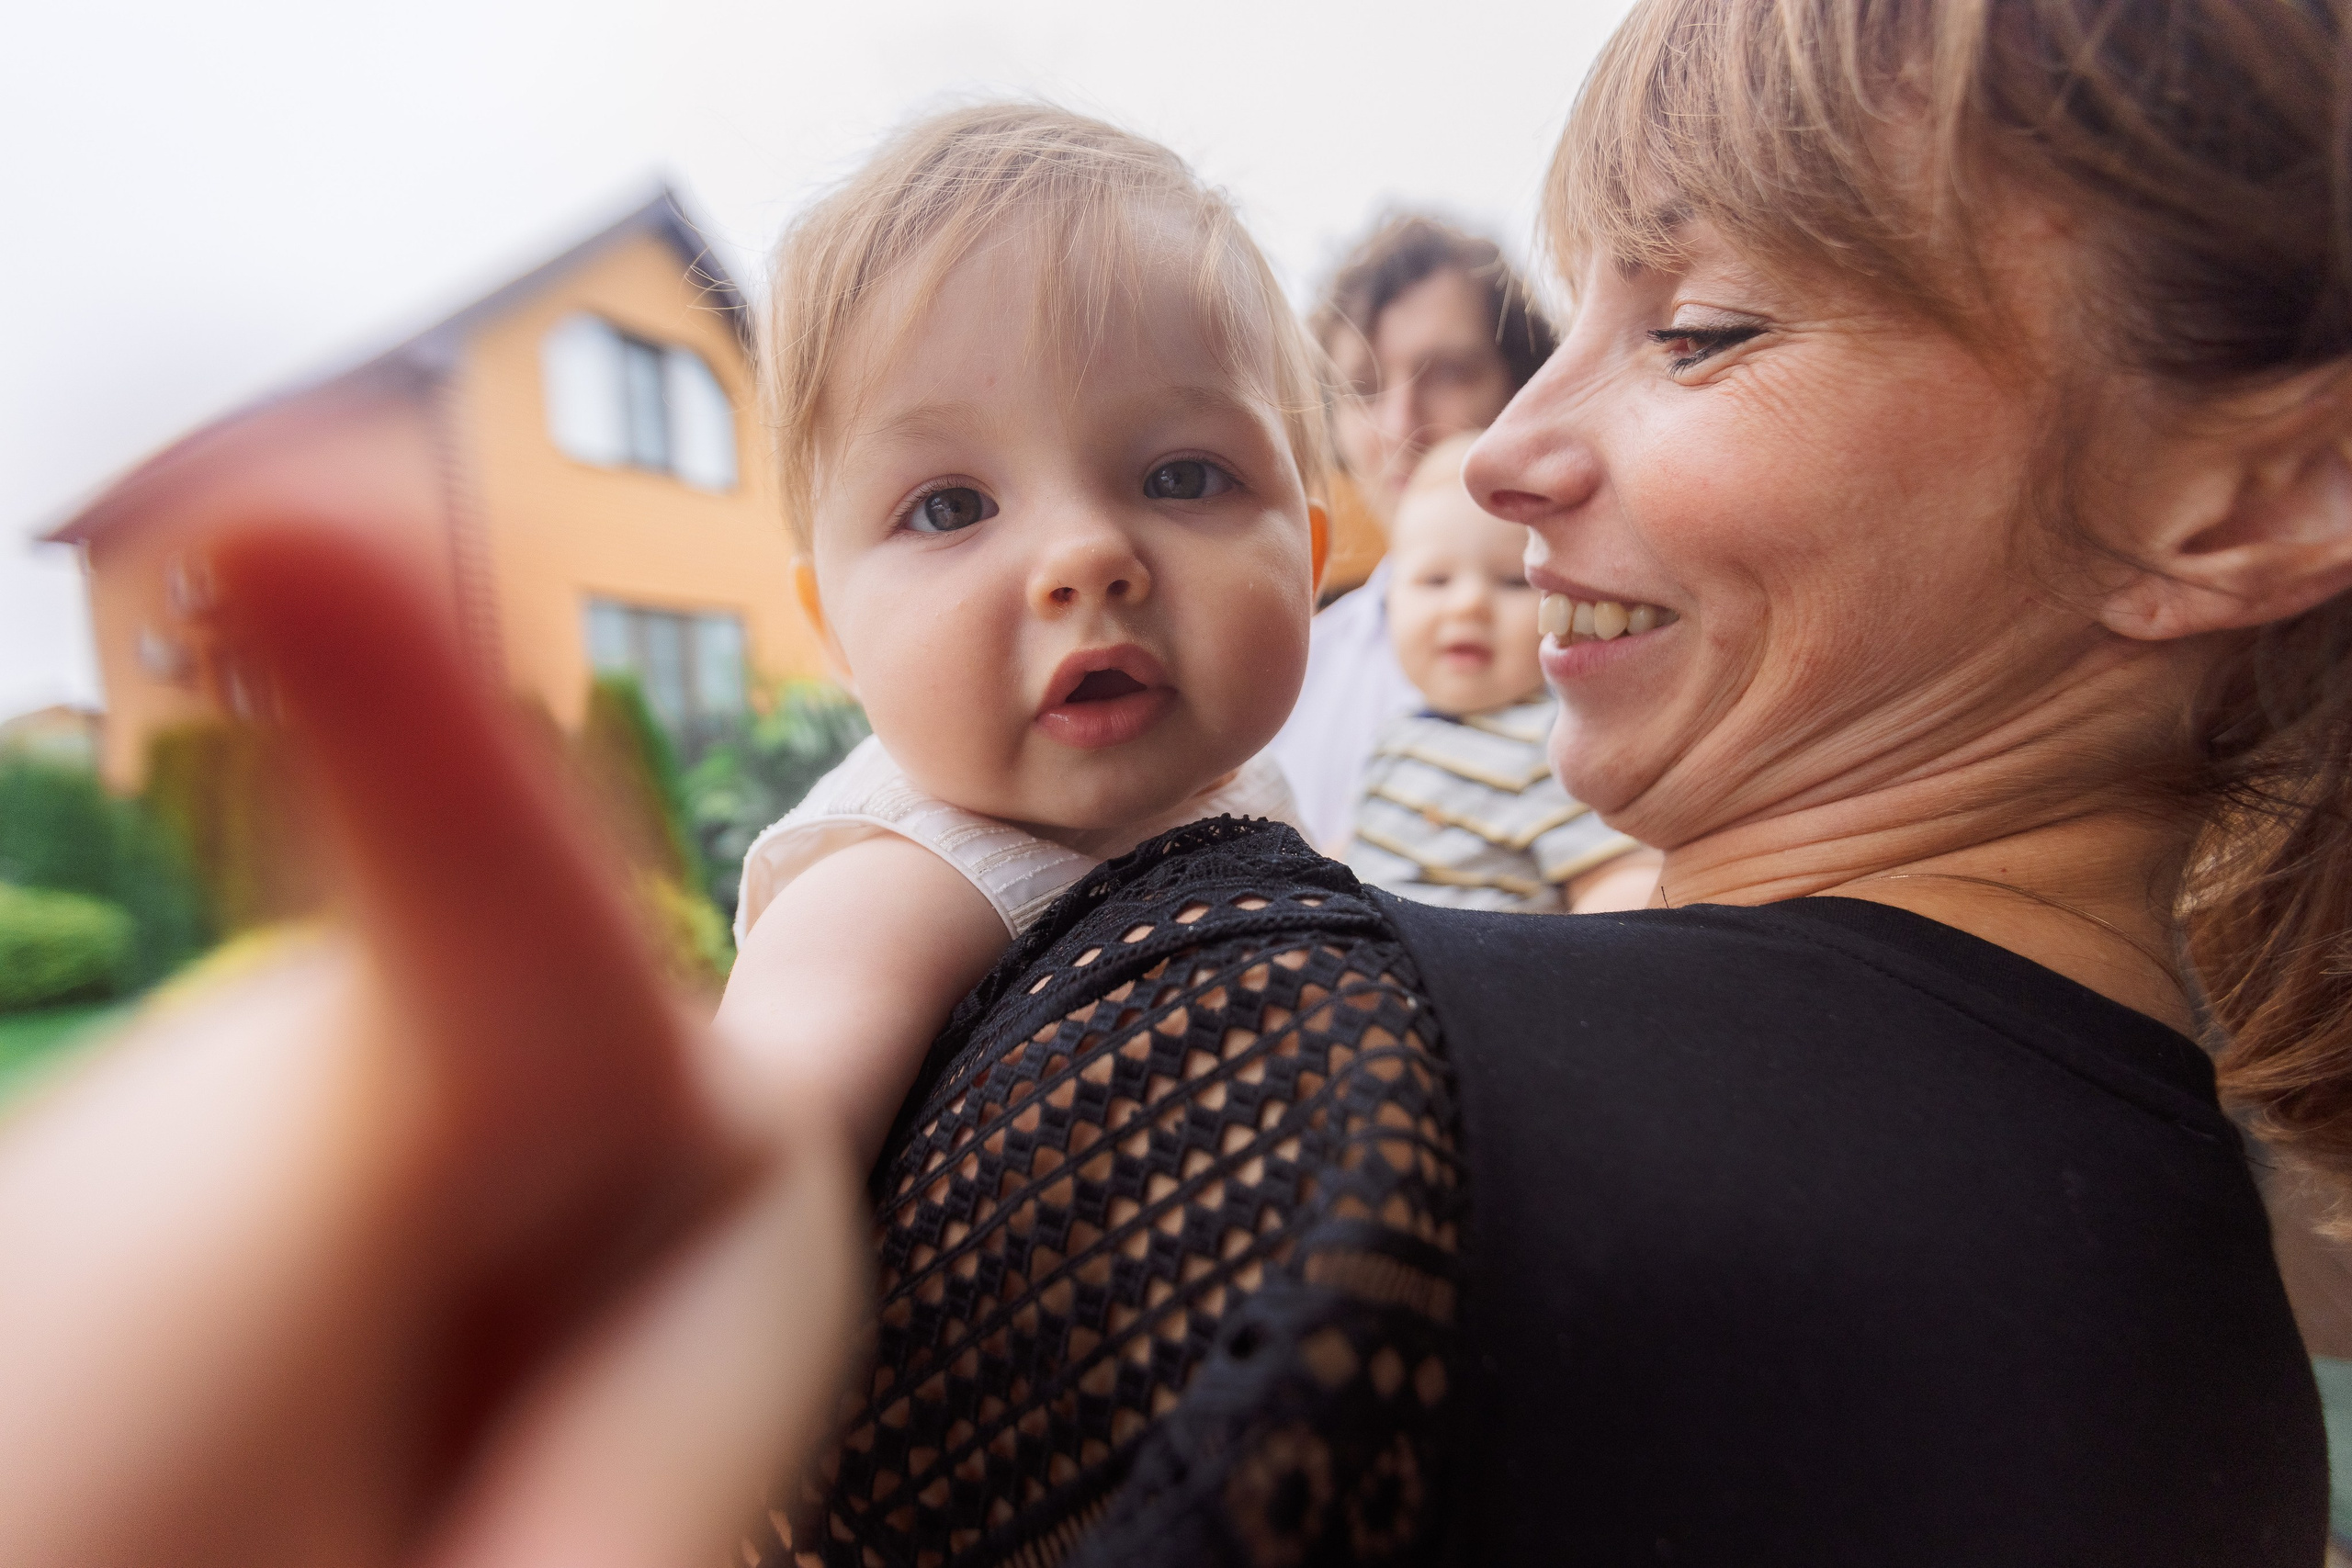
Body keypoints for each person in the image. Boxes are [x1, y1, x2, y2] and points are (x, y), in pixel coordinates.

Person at [796, 0, 2351, 1562]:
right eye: (1572, 324)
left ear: (2242, 500)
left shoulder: (1290, 1064)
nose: (1498, 451)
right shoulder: (2242, 1358)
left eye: (1703, 328)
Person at [713, 105, 1325, 1171]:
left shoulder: (1235, 790)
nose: (1086, 557)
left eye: (1181, 476)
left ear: (1311, 560)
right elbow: (746, 1173)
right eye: (951, 508)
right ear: (835, 636)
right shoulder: (908, 883)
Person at [1267, 218, 1557, 850]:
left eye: (1448, 373)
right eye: (1363, 389)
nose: (1401, 422)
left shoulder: (1602, 644)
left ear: (1526, 384)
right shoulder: (1284, 680)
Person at [1345, 433, 1654, 911]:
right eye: (1435, 580)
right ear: (1388, 600)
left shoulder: (1551, 744)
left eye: (1513, 581)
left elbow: (1620, 883)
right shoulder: (1400, 735)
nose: (1468, 605)